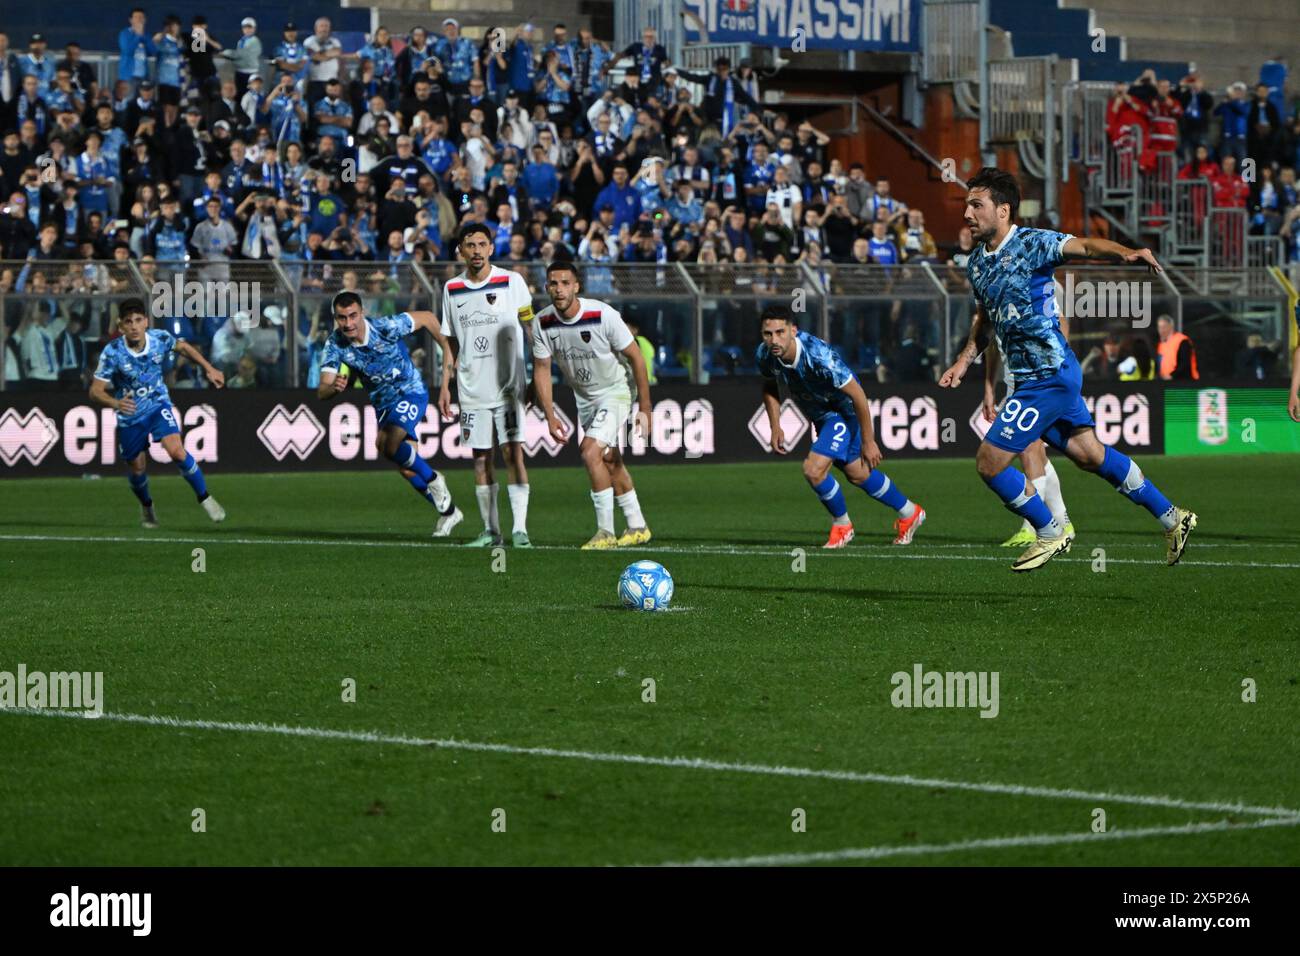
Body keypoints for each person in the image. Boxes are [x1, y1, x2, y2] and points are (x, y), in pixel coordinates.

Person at [939, 167, 1196, 571]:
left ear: (1003, 210)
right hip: (1033, 378)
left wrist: (1125, 252)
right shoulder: (976, 265)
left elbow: (1087, 247)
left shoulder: (1034, 243)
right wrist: (963, 360)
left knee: (990, 462)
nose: (968, 213)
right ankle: (1172, 517)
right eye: (967, 204)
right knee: (1089, 455)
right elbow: (985, 321)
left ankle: (1049, 530)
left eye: (977, 205)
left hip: (1048, 375)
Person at [756, 305, 926, 549]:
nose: (774, 339)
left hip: (842, 411)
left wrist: (869, 441)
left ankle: (842, 525)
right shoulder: (765, 354)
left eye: (780, 332)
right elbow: (770, 384)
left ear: (793, 330)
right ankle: (910, 512)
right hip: (821, 415)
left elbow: (858, 395)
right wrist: (775, 425)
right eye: (767, 334)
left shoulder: (818, 355)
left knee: (814, 470)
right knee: (856, 473)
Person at [316, 291, 463, 537]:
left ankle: (435, 480)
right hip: (384, 405)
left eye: (353, 316)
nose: (348, 323)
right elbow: (322, 391)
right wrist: (334, 388)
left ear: (362, 313)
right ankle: (449, 512)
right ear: (336, 318)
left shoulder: (385, 327)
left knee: (387, 443)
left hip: (410, 392)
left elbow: (427, 317)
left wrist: (449, 350)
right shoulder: (335, 344)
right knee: (406, 467)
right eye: (342, 318)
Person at [532, 261, 653, 548]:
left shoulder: (602, 315)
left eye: (564, 283)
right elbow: (541, 368)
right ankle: (638, 526)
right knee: (609, 458)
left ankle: (605, 532)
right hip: (584, 397)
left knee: (589, 451)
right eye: (553, 283)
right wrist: (549, 415)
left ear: (576, 286)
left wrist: (645, 408)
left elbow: (636, 358)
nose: (558, 289)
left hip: (616, 391)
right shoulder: (543, 322)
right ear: (546, 287)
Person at [88, 298, 226, 527]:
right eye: (128, 322)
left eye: (138, 320)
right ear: (121, 326)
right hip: (130, 414)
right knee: (137, 467)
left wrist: (208, 367)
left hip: (158, 404)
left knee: (176, 451)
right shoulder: (112, 352)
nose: (134, 326)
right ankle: (147, 506)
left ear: (146, 322)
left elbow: (182, 346)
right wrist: (115, 403)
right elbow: (95, 391)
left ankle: (205, 498)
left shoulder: (159, 338)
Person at [438, 222, 536, 548]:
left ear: (491, 248)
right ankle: (491, 531)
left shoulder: (512, 281)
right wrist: (445, 385)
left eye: (482, 244)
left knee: (512, 453)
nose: (477, 251)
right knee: (480, 458)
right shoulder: (452, 288)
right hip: (470, 389)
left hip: (509, 388)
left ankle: (520, 529)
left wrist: (539, 375)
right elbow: (450, 342)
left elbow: (530, 328)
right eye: (470, 245)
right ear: (461, 251)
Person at [1155, 314, 1199, 380]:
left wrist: (1172, 376)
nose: (1161, 330)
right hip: (1166, 382)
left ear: (1171, 327)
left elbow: (1185, 363)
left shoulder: (1182, 340)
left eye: (1164, 327)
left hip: (1183, 382)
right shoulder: (1161, 344)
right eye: (1159, 327)